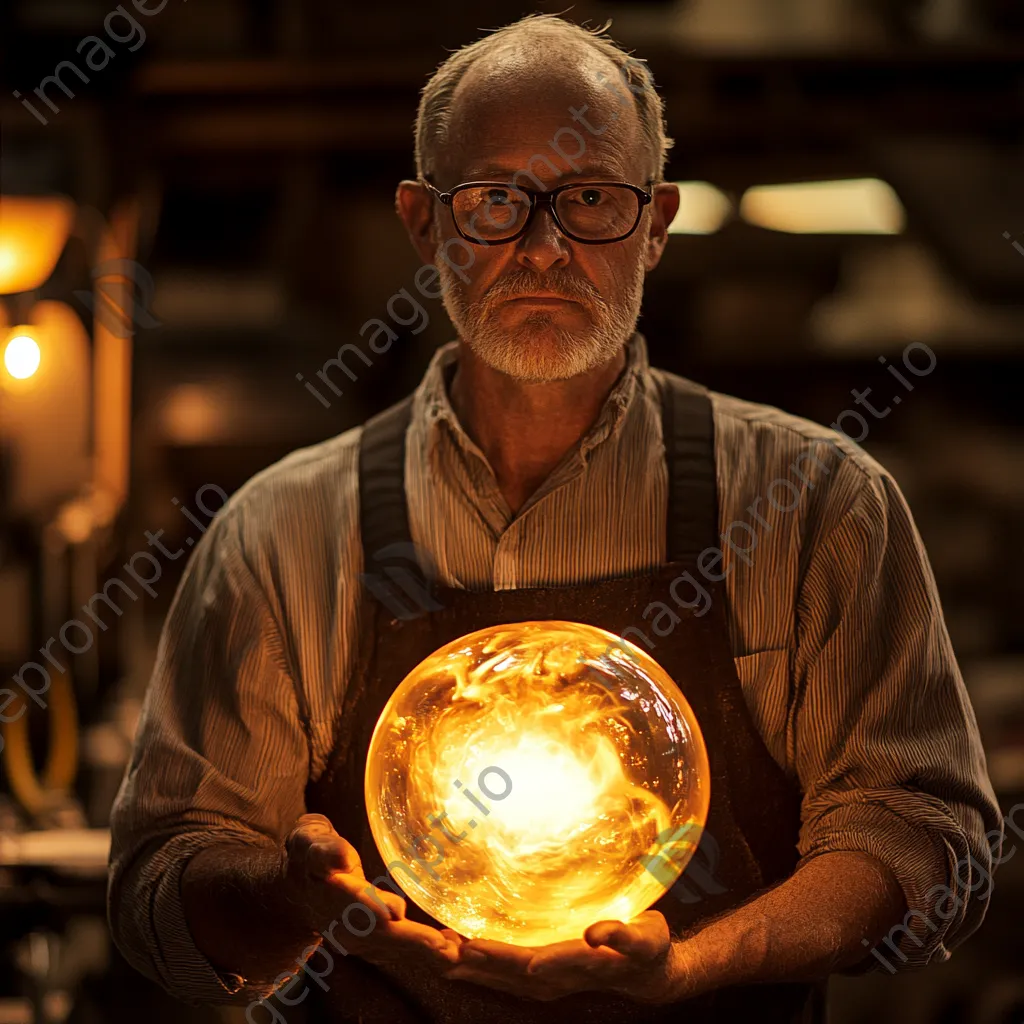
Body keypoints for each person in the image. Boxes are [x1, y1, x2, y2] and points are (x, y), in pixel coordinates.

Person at [107, 14, 1002, 1024]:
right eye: (495, 200)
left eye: (590, 200)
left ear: (656, 222)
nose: (544, 248)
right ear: (422, 221)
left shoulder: (816, 504)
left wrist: (695, 965)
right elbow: (156, 894)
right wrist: (288, 897)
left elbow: (924, 836)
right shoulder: (281, 533)